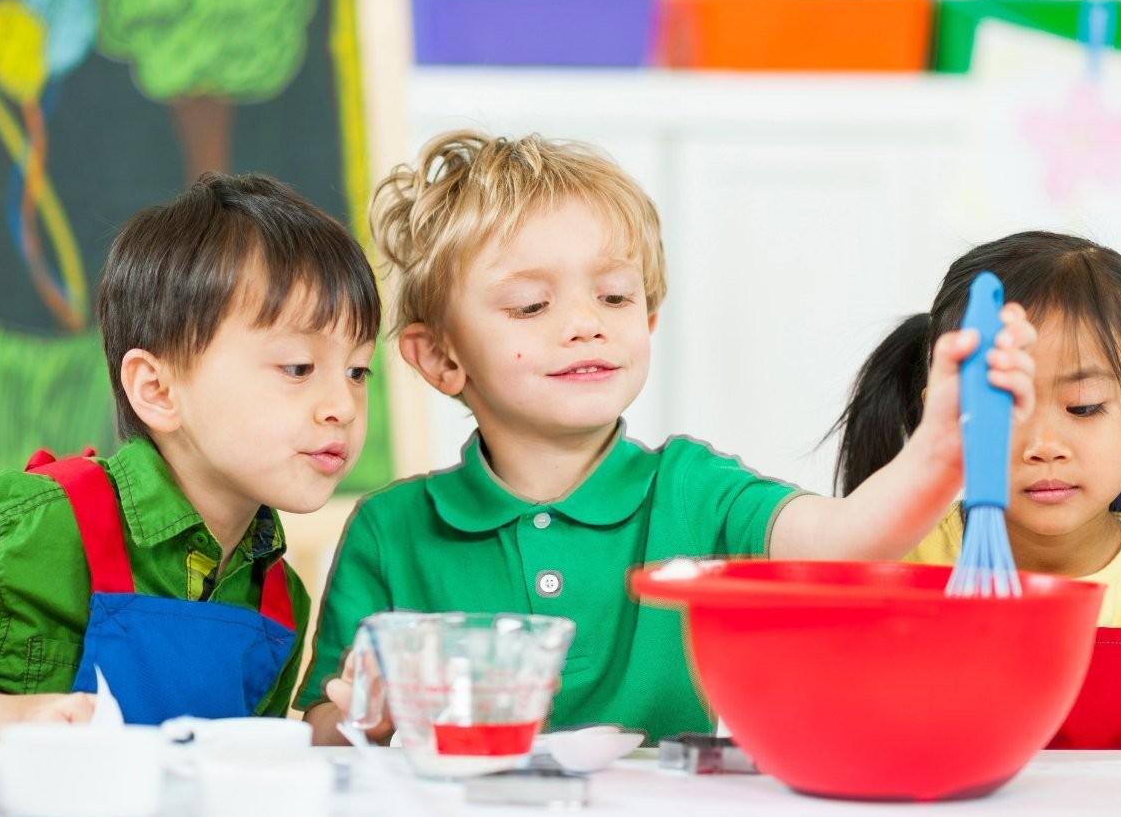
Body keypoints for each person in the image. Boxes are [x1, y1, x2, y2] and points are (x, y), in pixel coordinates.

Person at [298, 130, 1037, 745]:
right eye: (531, 304)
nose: (586, 321)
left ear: (647, 320)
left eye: (615, 296)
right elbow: (324, 726)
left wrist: (941, 449)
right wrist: (371, 715)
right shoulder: (390, 533)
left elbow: (845, 541)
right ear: (441, 358)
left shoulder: (692, 489)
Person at [0, 172, 381, 739]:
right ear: (158, 390)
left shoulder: (279, 603)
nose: (342, 404)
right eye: (298, 367)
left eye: (358, 370)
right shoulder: (42, 525)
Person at [832, 230, 1121, 749]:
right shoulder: (901, 572)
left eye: (1083, 407)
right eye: (1007, 406)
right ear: (948, 414)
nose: (1045, 446)